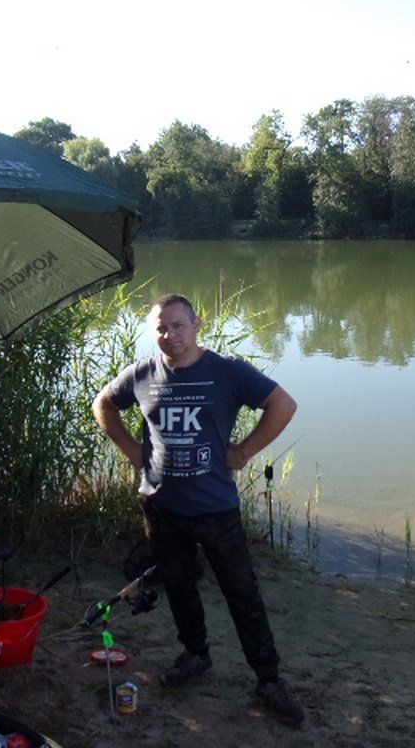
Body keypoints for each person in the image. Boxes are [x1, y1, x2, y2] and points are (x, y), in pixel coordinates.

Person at [92, 293, 304, 727]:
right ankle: (195, 654)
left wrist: (243, 452)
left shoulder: (227, 371)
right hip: (161, 506)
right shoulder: (143, 374)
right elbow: (104, 404)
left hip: (215, 509)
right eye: (161, 328)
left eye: (178, 325)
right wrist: (132, 450)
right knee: (179, 585)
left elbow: (283, 405)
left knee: (242, 593)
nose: (170, 334)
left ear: (197, 324)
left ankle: (268, 679)